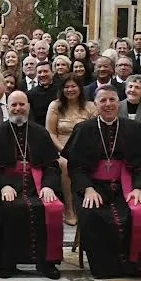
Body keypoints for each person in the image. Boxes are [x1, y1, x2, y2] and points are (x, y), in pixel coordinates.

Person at [67, 82, 141, 277]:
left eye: (112, 100)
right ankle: (104, 269)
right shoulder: (83, 129)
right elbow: (76, 167)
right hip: (94, 186)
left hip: (125, 186)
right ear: (95, 104)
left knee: (135, 215)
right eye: (103, 100)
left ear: (119, 102)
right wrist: (87, 189)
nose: (108, 104)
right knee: (93, 215)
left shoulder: (133, 128)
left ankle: (134, 268)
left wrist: (139, 188)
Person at [0, 90, 63, 278]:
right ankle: (6, 263)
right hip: (7, 187)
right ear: (8, 107)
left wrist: (48, 185)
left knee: (48, 208)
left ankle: (47, 263)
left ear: (28, 106)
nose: (18, 108)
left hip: (37, 186)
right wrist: (2, 185)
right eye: (14, 105)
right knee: (9, 209)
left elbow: (52, 164)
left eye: (22, 104)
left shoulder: (40, 133)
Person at [46, 74, 95, 225]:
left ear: (80, 88)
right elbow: (50, 133)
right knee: (66, 164)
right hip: (60, 149)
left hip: (85, 149)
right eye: (66, 87)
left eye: (73, 86)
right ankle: (69, 209)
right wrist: (65, 151)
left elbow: (95, 132)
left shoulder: (90, 107)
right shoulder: (55, 106)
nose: (70, 90)